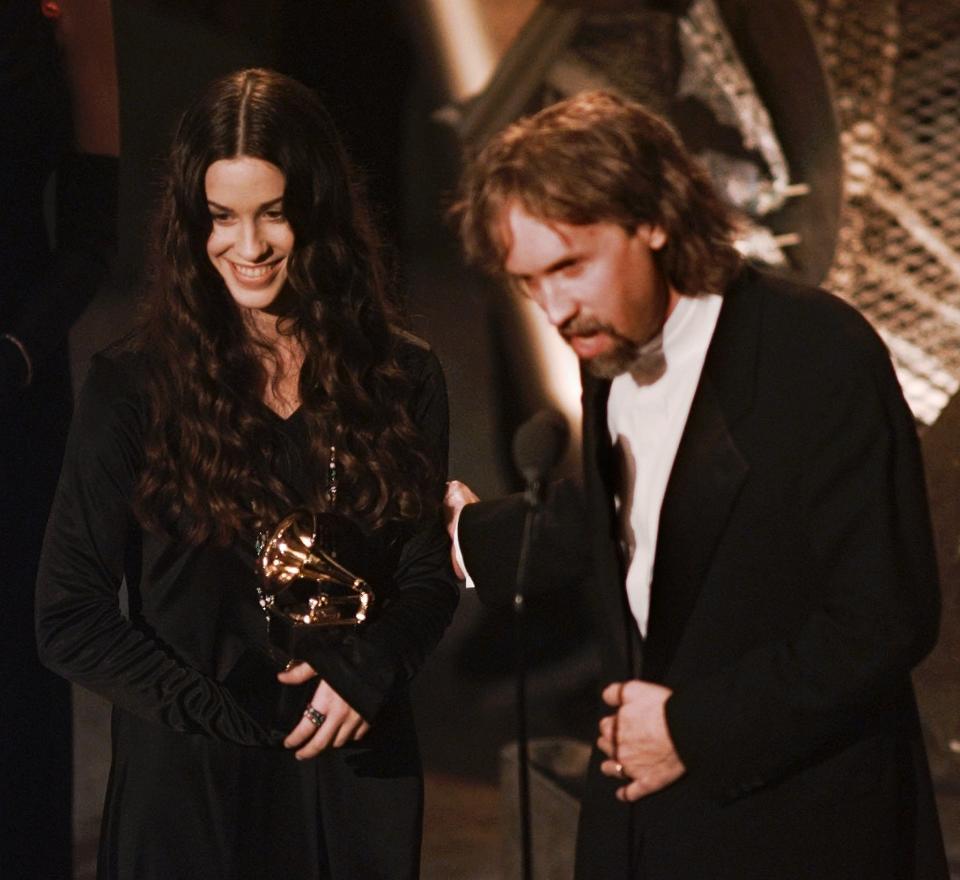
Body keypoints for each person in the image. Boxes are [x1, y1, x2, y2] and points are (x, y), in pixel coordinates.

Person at [444, 90, 948, 879]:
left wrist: (692, 728)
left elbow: (884, 617)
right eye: (530, 281)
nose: (555, 308)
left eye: (571, 266)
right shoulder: (607, 345)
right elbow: (654, 514)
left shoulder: (814, 351)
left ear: (653, 218)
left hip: (799, 829)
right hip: (653, 829)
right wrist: (472, 540)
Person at [35, 68, 458, 880]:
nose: (250, 246)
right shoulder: (134, 387)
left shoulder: (403, 376)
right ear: (192, 225)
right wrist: (218, 719)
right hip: (190, 783)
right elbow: (67, 615)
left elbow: (426, 576)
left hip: (351, 769)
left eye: (274, 214)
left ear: (320, 211)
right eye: (222, 218)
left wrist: (365, 672)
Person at [2, 2, 119, 877]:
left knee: (19, 668)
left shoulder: (72, 7)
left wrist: (14, 353)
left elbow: (90, 238)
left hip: (19, 374)